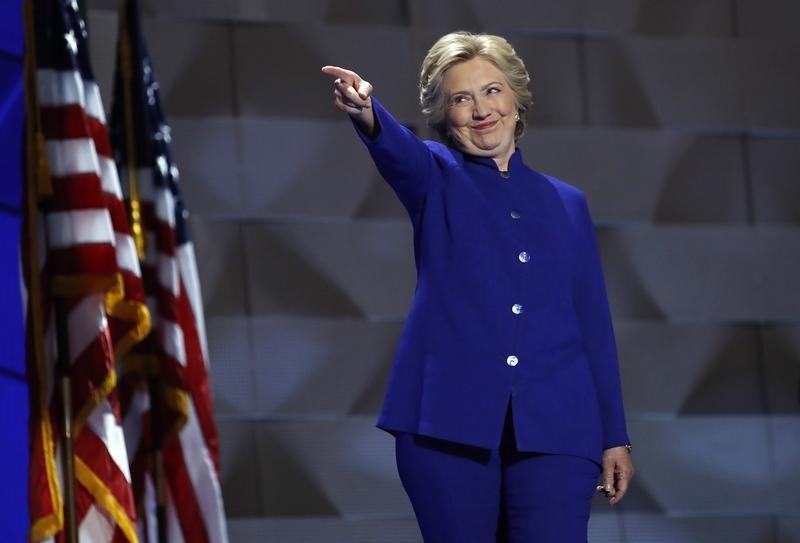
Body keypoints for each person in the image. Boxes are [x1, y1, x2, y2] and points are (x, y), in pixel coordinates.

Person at [322, 31, 634, 542]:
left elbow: (592, 324)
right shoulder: (435, 176)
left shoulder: (567, 202)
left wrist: (614, 436)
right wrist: (366, 111)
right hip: (445, 426)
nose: (480, 109)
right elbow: (396, 149)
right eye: (460, 99)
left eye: (491, 91)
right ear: (444, 116)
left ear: (515, 98)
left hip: (558, 425)